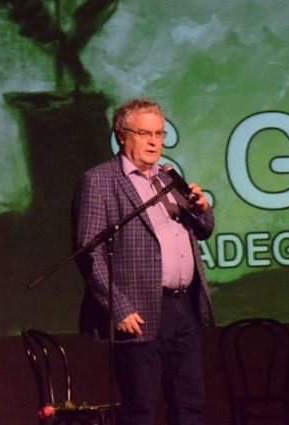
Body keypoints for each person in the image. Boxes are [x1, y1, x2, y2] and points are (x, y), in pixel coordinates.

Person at [73, 98, 215, 425]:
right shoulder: (100, 181)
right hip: (137, 312)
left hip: (183, 307)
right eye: (144, 133)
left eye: (159, 133)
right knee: (140, 410)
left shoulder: (168, 179)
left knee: (190, 407)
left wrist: (202, 208)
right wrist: (118, 307)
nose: (154, 142)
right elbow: (88, 250)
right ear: (122, 136)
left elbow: (204, 230)